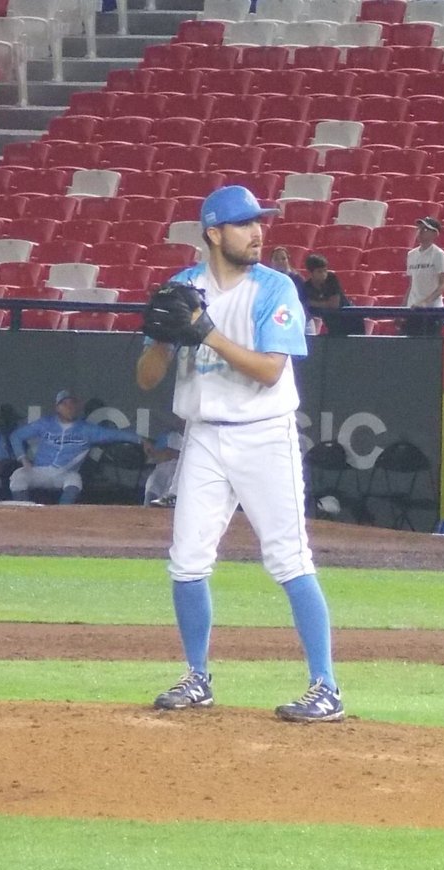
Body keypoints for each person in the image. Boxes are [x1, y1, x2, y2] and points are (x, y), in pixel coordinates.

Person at [135, 184, 344, 722]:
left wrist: (205, 333)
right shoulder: (181, 286)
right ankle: (197, 677)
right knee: (186, 561)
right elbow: (146, 378)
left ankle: (326, 687)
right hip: (203, 434)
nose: (258, 232)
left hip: (264, 433)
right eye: (244, 223)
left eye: (259, 222)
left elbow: (271, 370)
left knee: (289, 558)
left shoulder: (275, 288)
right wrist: (162, 338)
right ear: (213, 233)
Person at [8, 390, 145, 504]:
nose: (69, 407)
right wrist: (23, 459)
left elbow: (116, 435)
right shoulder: (45, 423)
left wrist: (141, 440)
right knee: (19, 475)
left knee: (75, 479)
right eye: (64, 404)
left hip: (64, 473)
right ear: (57, 407)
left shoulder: (86, 429)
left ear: (77, 407)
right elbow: (16, 436)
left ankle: (62, 515)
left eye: (72, 404)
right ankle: (22, 511)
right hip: (40, 470)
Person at [297, 253, 362, 337]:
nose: (323, 274)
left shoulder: (331, 279)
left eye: (325, 271)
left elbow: (334, 304)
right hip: (333, 326)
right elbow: (304, 305)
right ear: (310, 273)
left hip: (352, 322)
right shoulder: (307, 287)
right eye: (319, 271)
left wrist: (313, 303)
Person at [404, 215, 444, 336]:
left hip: (432, 310)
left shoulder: (438, 254)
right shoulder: (411, 255)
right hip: (413, 310)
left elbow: (442, 285)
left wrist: (425, 302)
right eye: (419, 228)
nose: (420, 232)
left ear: (435, 234)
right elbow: (411, 285)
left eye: (425, 229)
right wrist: (403, 308)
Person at [142, 416, 184, 507]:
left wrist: (174, 454)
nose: (180, 421)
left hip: (183, 470)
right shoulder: (168, 436)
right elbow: (155, 455)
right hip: (164, 468)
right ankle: (148, 512)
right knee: (153, 481)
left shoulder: (198, 438)